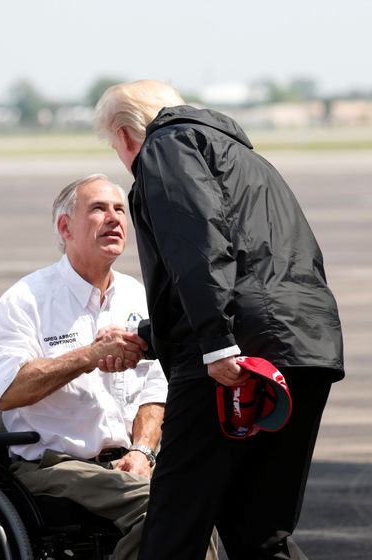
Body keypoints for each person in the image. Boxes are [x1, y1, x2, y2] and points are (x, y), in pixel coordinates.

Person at [95, 80, 344, 559]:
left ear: (126, 136)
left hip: (234, 358)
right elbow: (260, 268)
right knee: (258, 531)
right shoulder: (246, 159)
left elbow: (200, 245)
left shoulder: (165, 145)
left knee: (174, 525)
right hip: (305, 347)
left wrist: (215, 342)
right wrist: (149, 337)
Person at [0, 174, 217, 560]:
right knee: (166, 509)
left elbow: (157, 389)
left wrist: (143, 451)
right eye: (98, 209)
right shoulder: (26, 299)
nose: (114, 218)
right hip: (53, 466)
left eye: (120, 209)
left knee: (196, 502)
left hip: (126, 462)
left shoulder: (138, 296)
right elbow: (8, 392)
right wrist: (89, 356)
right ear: (65, 227)